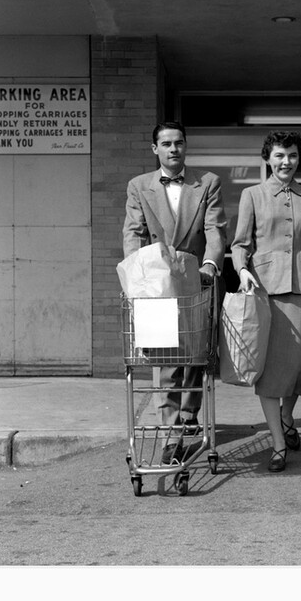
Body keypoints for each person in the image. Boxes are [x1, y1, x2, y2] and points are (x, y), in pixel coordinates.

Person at [231, 130, 301, 472]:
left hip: (300, 287)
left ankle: (286, 414)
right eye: (279, 155)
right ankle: (278, 443)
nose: (286, 162)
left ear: (299, 158)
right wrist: (241, 270)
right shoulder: (252, 194)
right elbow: (240, 243)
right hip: (263, 288)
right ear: (268, 158)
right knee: (268, 370)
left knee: (295, 367)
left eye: (292, 155)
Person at [122, 121, 227, 451]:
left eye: (179, 142)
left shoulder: (207, 183)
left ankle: (188, 413)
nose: (173, 149)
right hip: (158, 284)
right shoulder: (139, 186)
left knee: (195, 356)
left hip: (196, 278)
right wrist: (139, 276)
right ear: (155, 149)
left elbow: (215, 229)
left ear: (186, 146)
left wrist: (210, 263)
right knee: (167, 360)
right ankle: (171, 434)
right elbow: (134, 233)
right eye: (166, 144)